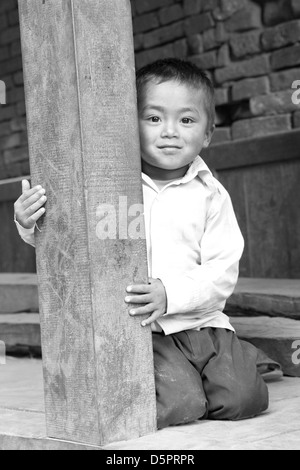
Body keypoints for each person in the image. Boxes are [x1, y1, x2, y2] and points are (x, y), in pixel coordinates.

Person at [14, 58, 274, 430]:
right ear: (130, 126)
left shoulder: (211, 194)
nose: (169, 131)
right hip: (146, 332)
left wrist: (171, 294)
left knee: (245, 400)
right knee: (180, 404)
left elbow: (222, 270)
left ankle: (238, 359)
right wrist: (29, 223)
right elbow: (69, 250)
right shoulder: (110, 187)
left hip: (204, 323)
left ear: (208, 133)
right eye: (154, 118)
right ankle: (191, 378)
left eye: (186, 120)